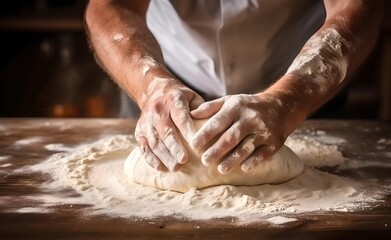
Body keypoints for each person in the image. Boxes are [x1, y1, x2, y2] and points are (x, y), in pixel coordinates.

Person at [85, 0, 383, 174]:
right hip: (163, 82)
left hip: (305, 76)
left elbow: (357, 5)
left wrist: (287, 99)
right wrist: (151, 86)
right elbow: (110, 5)